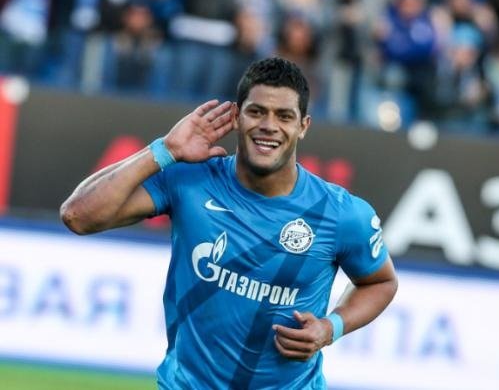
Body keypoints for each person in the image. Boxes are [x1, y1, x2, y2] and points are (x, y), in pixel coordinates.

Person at [60, 57, 398, 389]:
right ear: (236, 116)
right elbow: (78, 216)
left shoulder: (340, 213)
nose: (269, 125)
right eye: (257, 112)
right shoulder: (190, 180)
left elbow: (381, 282)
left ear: (303, 126)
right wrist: (164, 150)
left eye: (284, 116)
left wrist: (330, 328)